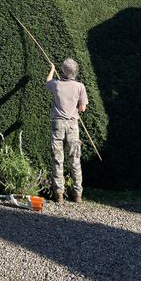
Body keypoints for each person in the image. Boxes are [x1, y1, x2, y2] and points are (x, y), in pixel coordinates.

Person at [45, 58, 88, 204]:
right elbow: (82, 108)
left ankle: (59, 194)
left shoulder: (56, 85)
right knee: (75, 159)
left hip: (57, 124)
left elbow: (47, 82)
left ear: (62, 71)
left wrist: (51, 69)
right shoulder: (80, 86)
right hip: (72, 125)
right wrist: (75, 108)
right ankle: (77, 195)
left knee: (58, 159)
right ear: (75, 72)